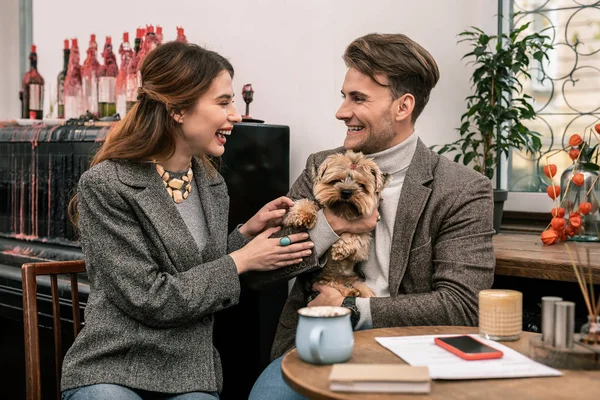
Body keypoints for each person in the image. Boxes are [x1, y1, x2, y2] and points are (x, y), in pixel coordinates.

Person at [61, 41, 314, 400]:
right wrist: (241, 259)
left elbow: (194, 268)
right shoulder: (106, 184)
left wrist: (245, 234)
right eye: (223, 102)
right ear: (179, 110)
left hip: (189, 371)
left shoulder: (211, 184)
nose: (236, 116)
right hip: (113, 366)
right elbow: (151, 297)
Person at [248, 33, 495, 399]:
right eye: (344, 96)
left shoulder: (462, 189)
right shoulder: (320, 166)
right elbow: (262, 272)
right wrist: (332, 227)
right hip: (317, 345)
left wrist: (350, 307)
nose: (341, 111)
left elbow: (463, 304)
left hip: (414, 355)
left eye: (358, 98)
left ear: (402, 106)